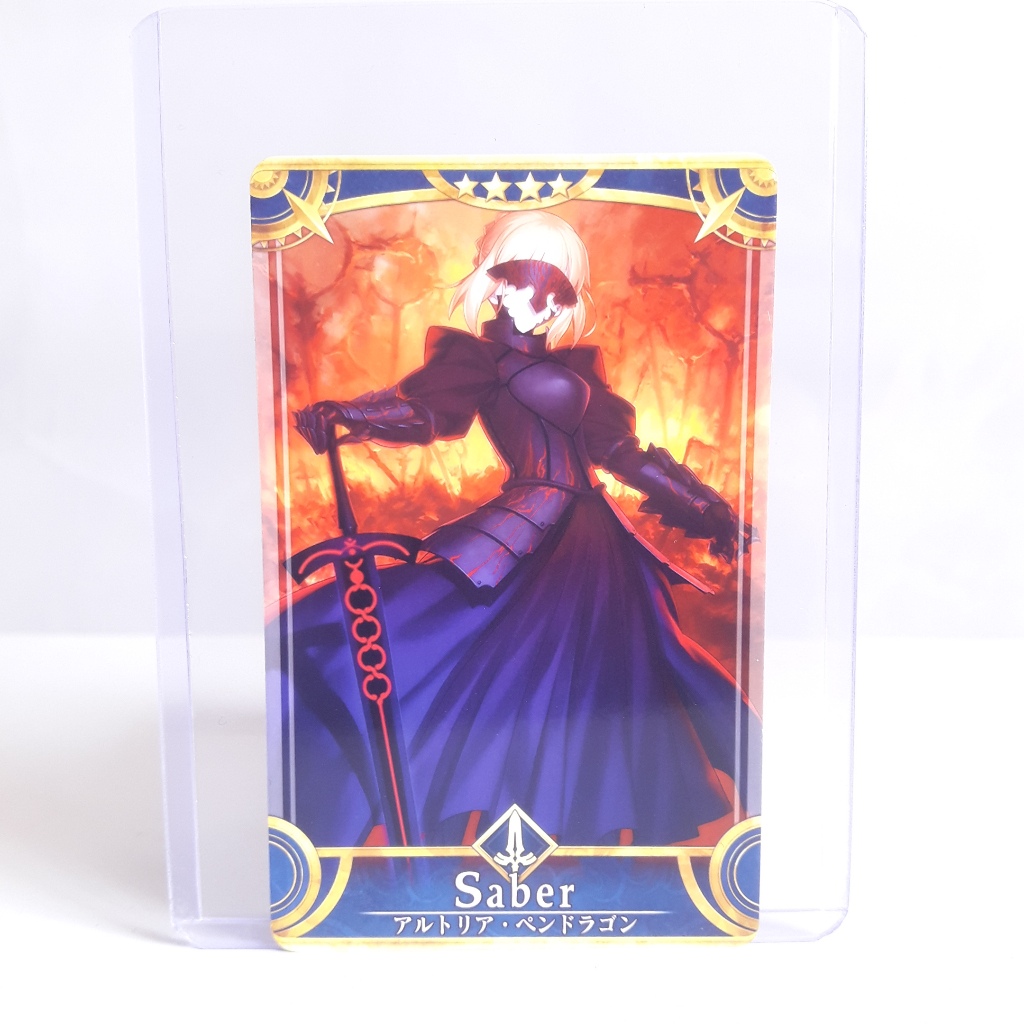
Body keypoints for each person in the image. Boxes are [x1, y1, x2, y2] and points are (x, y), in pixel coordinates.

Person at [277, 209, 760, 848]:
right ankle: (441, 816)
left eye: (561, 290)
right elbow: (426, 412)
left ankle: (747, 778)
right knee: (473, 663)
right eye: (531, 280)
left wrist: (707, 507)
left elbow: (621, 454)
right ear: (496, 282)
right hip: (525, 537)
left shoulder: (582, 372)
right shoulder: (476, 361)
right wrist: (350, 414)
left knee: (638, 670)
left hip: (601, 548)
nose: (545, 301)